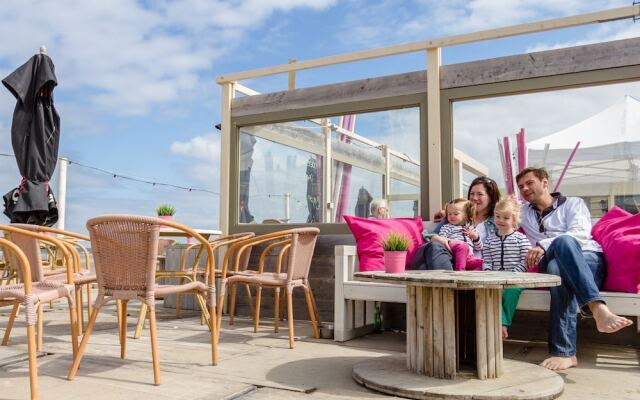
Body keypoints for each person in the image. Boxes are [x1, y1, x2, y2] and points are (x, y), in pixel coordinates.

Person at [516, 167, 633, 371]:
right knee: (557, 255)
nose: (524, 189)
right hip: (551, 258)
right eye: (521, 186)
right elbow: (493, 213)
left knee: (560, 259)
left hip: (586, 257)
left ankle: (565, 353)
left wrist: (543, 244)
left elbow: (579, 233)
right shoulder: (523, 212)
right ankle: (598, 309)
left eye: (529, 183)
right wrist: (449, 215)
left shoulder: (573, 203)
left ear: (545, 183)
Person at [416, 176, 500, 270]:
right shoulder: (452, 218)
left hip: (477, 265)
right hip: (451, 259)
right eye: (472, 194)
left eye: (480, 194)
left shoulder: (497, 221)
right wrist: (436, 238)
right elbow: (432, 238)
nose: (474, 198)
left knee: (425, 267)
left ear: (491, 197)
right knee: (428, 257)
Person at [481, 196, 531, 339]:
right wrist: (488, 272)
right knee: (490, 292)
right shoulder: (490, 239)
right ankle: (500, 324)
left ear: (514, 220)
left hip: (516, 278)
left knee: (511, 291)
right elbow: (487, 259)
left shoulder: (521, 239)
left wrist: (514, 274)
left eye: (506, 218)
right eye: (497, 216)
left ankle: (503, 323)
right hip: (495, 279)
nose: (501, 221)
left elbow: (526, 260)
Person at [424, 198, 483, 271]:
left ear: (466, 215)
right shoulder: (447, 227)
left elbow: (479, 247)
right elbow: (442, 241)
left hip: (468, 258)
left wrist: (475, 237)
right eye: (449, 214)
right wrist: (450, 241)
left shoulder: (471, 229)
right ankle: (460, 273)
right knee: (463, 246)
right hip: (454, 253)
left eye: (456, 214)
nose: (452, 216)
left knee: (481, 263)